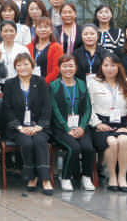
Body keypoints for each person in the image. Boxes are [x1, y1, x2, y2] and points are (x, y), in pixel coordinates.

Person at [1, 52, 54, 195]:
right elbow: (7, 109)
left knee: (40, 141)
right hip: (18, 128)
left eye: (26, 64)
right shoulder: (9, 84)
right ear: (15, 68)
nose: (23, 67)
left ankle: (45, 179)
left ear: (32, 66)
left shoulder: (40, 82)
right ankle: (32, 177)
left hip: (39, 126)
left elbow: (47, 106)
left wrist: (39, 126)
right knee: (27, 142)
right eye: (19, 65)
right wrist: (19, 127)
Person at [89, 53, 127, 192]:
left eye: (113, 65)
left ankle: (122, 177)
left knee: (123, 140)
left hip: (122, 123)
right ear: (101, 67)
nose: (109, 69)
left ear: (119, 67)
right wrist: (97, 123)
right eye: (106, 65)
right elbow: (89, 106)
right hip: (102, 123)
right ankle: (112, 176)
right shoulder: (93, 82)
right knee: (111, 142)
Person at [49, 54, 96, 192]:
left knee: (88, 148)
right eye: (64, 66)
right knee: (73, 148)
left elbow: (87, 108)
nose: (68, 69)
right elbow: (54, 110)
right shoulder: (54, 85)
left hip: (80, 127)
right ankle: (65, 177)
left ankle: (86, 177)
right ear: (59, 68)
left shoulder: (82, 84)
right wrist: (66, 128)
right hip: (61, 128)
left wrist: (82, 127)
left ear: (76, 67)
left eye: (71, 66)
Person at [29, 17, 62, 83]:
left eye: (46, 27)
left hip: (48, 84)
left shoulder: (56, 47)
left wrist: (43, 83)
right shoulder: (29, 47)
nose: (43, 29)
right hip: (29, 83)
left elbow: (56, 70)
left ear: (51, 30)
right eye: (40, 27)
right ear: (35, 30)